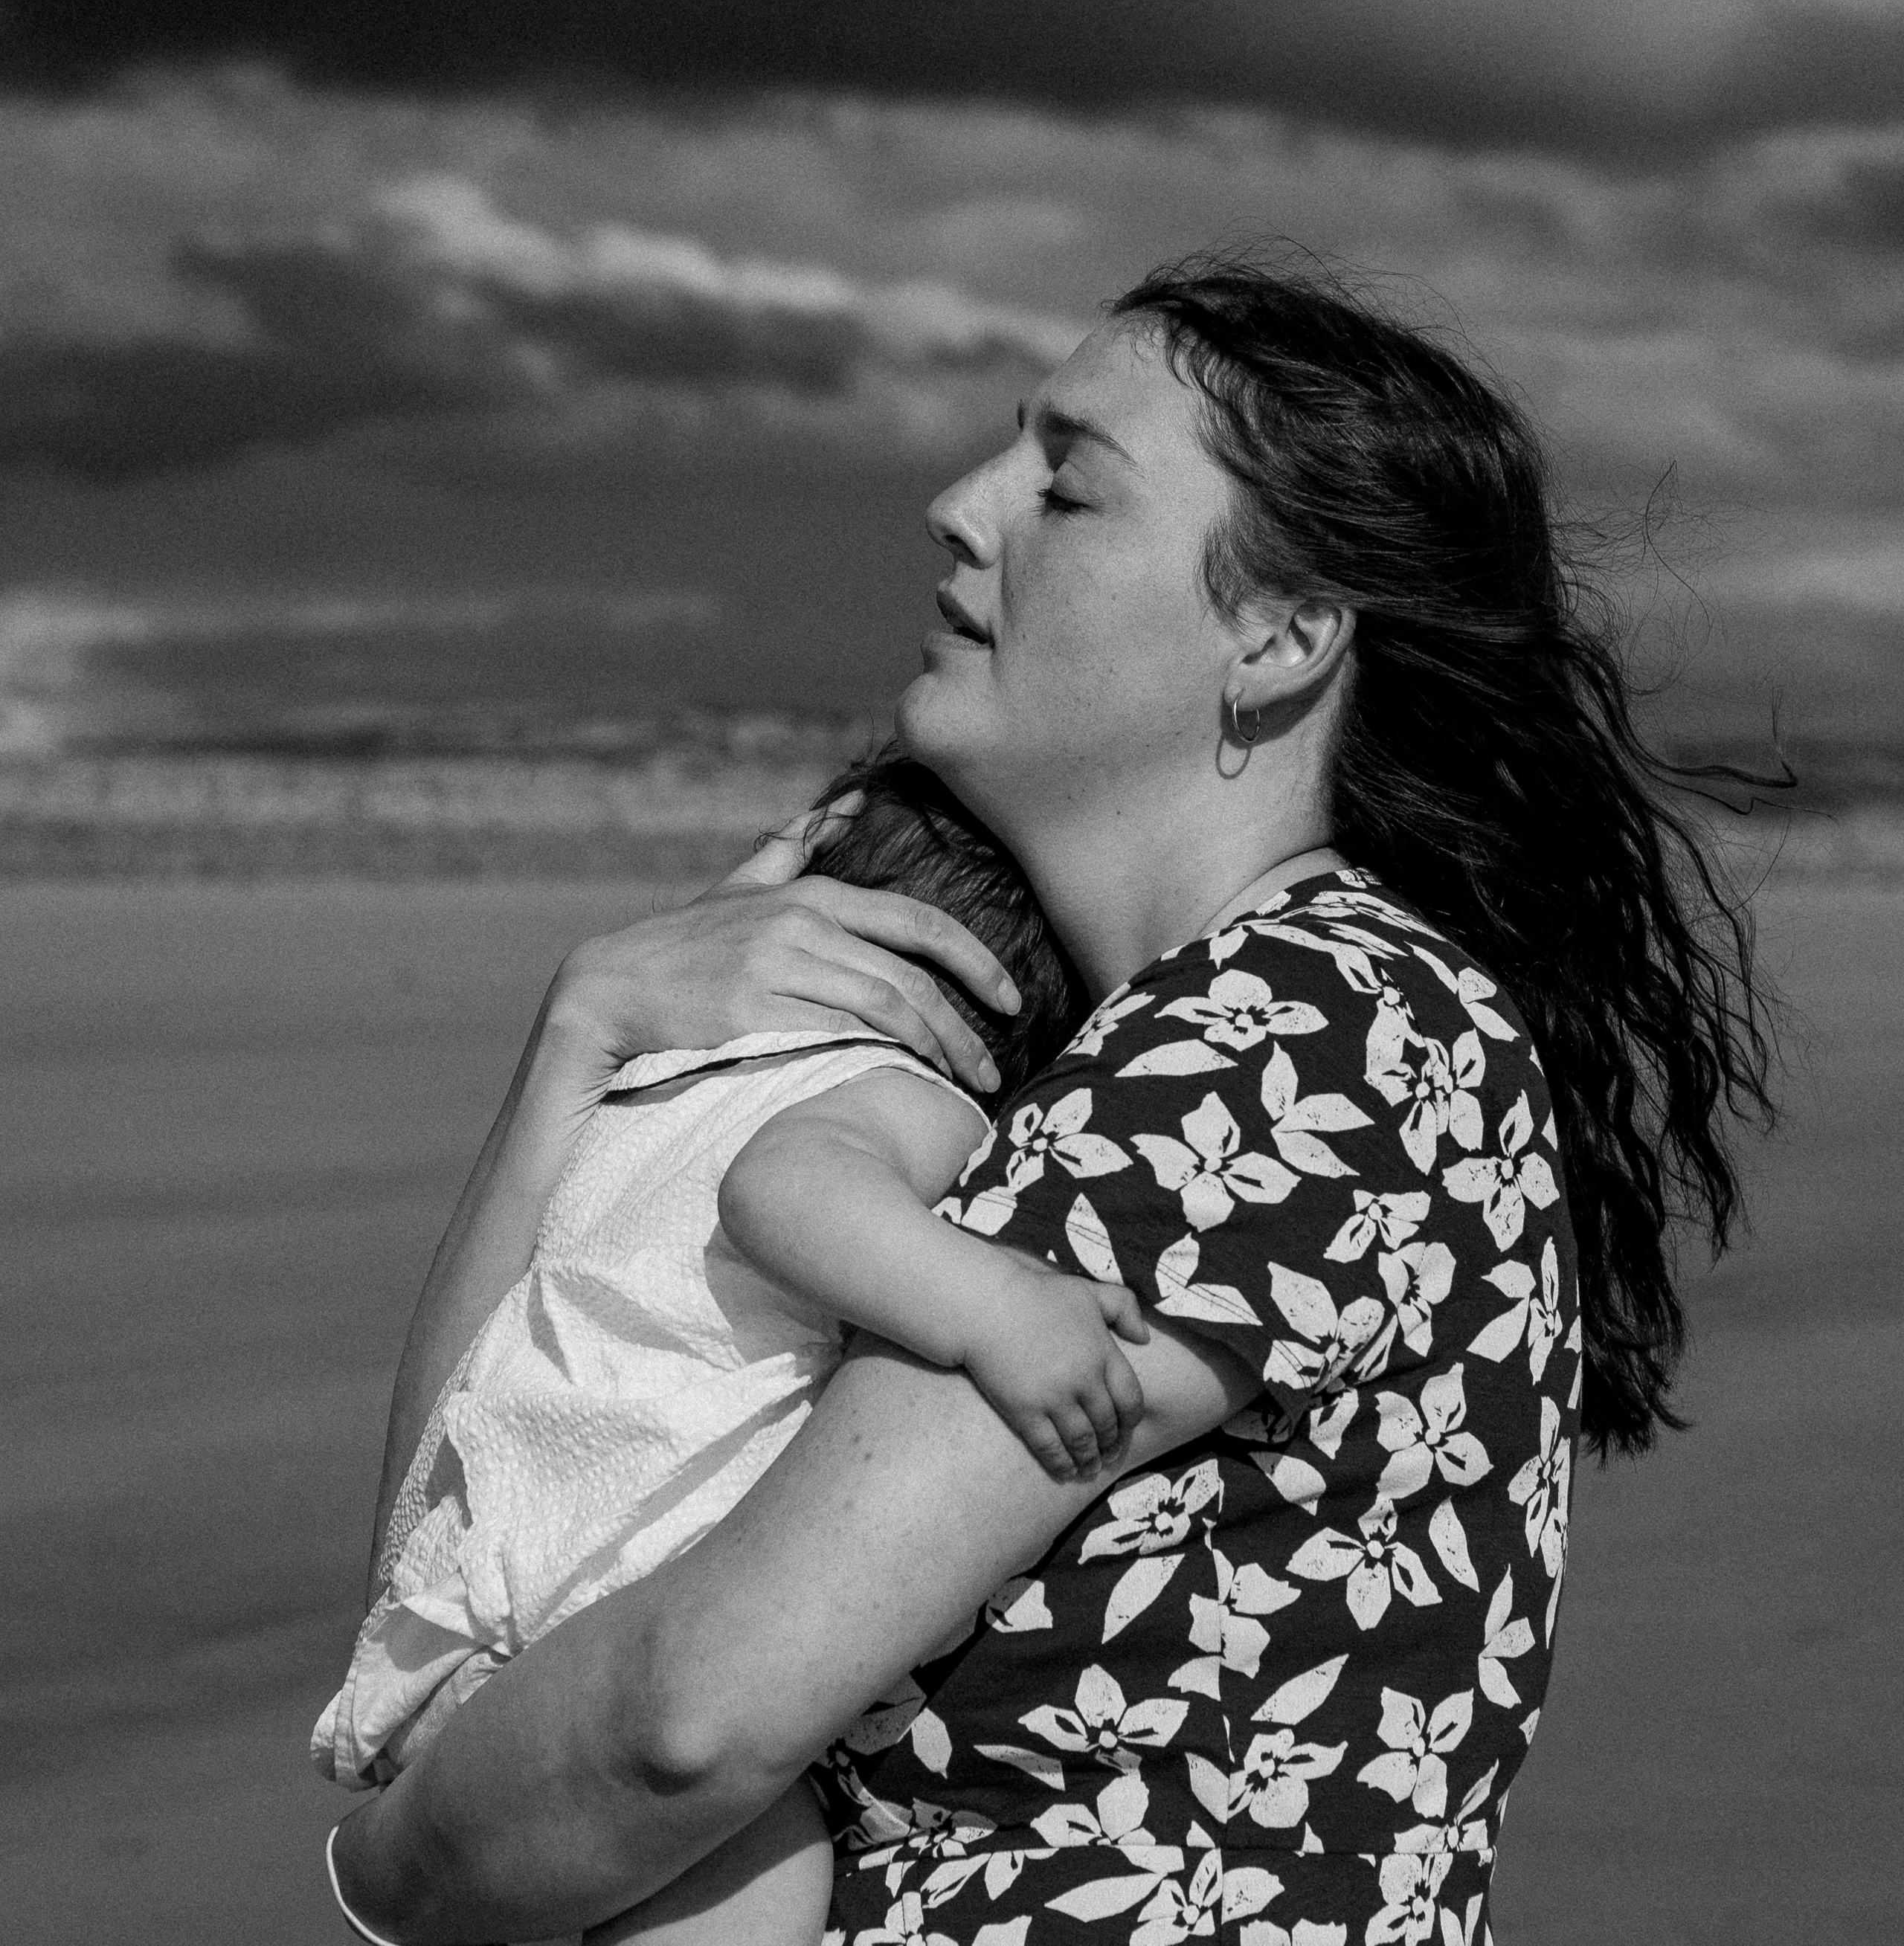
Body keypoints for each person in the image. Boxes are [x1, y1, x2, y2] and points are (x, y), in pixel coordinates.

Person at [327, 256, 1773, 1946]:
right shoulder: (1154, 1047)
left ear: (1279, 636)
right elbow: (470, 1517)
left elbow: (678, 1722)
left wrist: (383, 1866)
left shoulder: (1290, 1037)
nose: (955, 506)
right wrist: (577, 1044)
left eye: (1065, 483)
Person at [318, 753, 1128, 1939]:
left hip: (456, 1601)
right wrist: (993, 1302)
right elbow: (784, 1191)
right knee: (769, 1881)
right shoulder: (908, 1090)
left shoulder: (650, 1076)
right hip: (598, 1620)